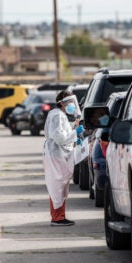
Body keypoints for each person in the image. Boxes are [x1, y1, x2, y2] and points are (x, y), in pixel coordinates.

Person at [43, 90, 84, 226]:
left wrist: (74, 137)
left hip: (58, 154)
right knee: (58, 186)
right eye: (69, 102)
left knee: (60, 186)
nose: (72, 105)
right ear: (61, 103)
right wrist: (75, 133)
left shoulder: (59, 115)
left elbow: (62, 133)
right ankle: (57, 217)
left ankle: (59, 216)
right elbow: (59, 137)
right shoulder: (58, 116)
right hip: (56, 155)